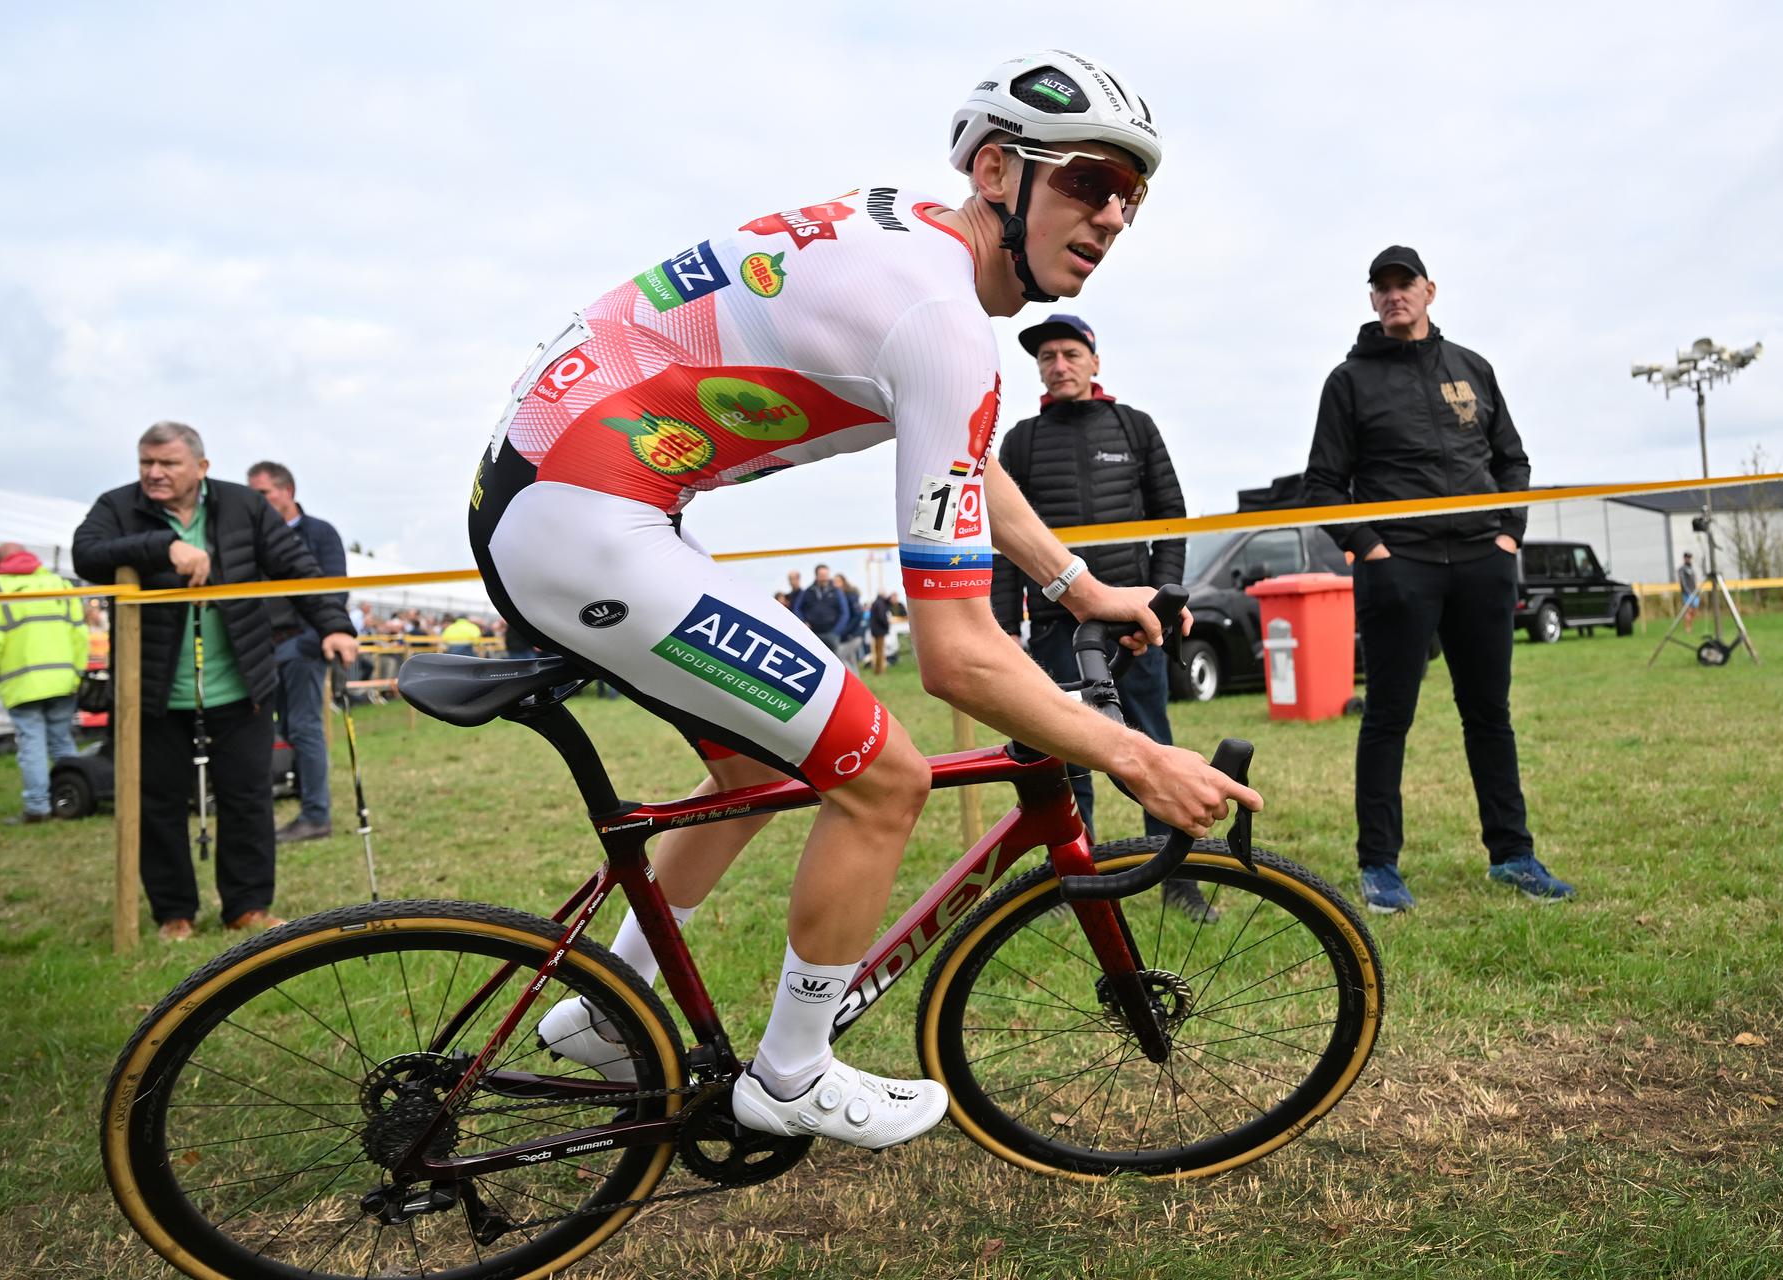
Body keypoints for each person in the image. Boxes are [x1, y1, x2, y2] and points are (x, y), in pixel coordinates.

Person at [469, 50, 1255, 1152]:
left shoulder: (913, 249)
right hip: (584, 515)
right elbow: (957, 658)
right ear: (998, 170)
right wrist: (1136, 756)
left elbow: (966, 452)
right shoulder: (940, 323)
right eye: (1088, 180)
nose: (1114, 215)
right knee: (884, 774)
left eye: (1133, 197)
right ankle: (790, 1073)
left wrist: (1077, 584)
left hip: (561, 493)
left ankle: (608, 1011)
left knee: (753, 766)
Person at [1303, 245, 1573, 914]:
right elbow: (1322, 486)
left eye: (1407, 284)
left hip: (1483, 561)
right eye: (1383, 286)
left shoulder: (1472, 369)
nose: (1396, 295)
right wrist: (1371, 550)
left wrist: (1508, 533)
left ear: (1430, 291)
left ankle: (1512, 855)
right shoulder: (1349, 381)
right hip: (1401, 569)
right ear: (1372, 299)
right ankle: (1380, 867)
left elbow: (1513, 459)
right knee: (1388, 717)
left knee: (1490, 715)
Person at [73, 421, 359, 942]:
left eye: (168, 464)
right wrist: (164, 547)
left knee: (248, 795)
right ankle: (173, 912)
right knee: (158, 802)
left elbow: (297, 567)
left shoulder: (243, 506)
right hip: (154, 689)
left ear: (201, 467)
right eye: (146, 463)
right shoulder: (117, 506)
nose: (154, 474)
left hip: (242, 681)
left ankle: (246, 906)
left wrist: (334, 625)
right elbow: (85, 554)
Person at [988, 313, 1212, 920]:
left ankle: (1178, 880)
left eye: (1068, 354)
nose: (1057, 366)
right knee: (1064, 749)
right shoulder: (1022, 441)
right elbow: (1006, 542)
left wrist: (1164, 604)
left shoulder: (1134, 427)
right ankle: (1069, 881)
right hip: (1058, 624)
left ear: (1094, 361)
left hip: (1134, 627)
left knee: (1153, 742)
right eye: (1046, 358)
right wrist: (1005, 624)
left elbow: (1170, 518)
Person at [246, 460, 347, 844]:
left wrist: (313, 638)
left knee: (305, 727)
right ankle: (305, 801)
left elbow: (334, 589)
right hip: (267, 647)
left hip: (302, 644)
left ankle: (316, 815)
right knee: (286, 728)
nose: (256, 501)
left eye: (262, 493)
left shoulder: (319, 533)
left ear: (286, 491)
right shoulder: (255, 537)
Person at [0, 544, 88, 824]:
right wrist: (76, 671)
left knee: (31, 742)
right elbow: (79, 634)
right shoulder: (59, 584)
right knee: (62, 740)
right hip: (62, 678)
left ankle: (38, 807)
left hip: (21, 681)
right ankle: (76, 798)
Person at [790, 564, 850, 654]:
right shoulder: (807, 591)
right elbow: (797, 609)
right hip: (812, 635)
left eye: (826, 575)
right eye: (822, 576)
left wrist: (836, 631)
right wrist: (803, 622)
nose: (824, 578)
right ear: (816, 576)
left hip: (831, 634)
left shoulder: (837, 592)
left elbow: (845, 613)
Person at [832, 572, 865, 674]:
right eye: (834, 582)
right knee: (851, 659)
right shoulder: (838, 597)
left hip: (853, 635)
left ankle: (853, 683)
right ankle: (858, 684)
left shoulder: (850, 596)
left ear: (843, 582)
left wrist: (846, 631)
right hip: (847, 635)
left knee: (840, 657)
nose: (835, 584)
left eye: (837, 581)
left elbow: (857, 615)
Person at [868, 589, 895, 675]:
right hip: (879, 630)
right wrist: (887, 624)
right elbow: (882, 617)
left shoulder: (877, 602)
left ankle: (877, 669)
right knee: (880, 651)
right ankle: (879, 670)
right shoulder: (880, 604)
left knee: (877, 650)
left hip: (875, 630)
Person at [1677, 550, 1700, 632]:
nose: (1689, 559)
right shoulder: (1682, 569)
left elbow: (1694, 581)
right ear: (1684, 558)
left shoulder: (1691, 568)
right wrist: (1688, 591)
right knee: (1688, 610)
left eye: (1690, 557)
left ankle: (1690, 626)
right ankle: (1687, 628)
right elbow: (1683, 582)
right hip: (1687, 593)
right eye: (1687, 557)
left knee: (1694, 611)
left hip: (1694, 592)